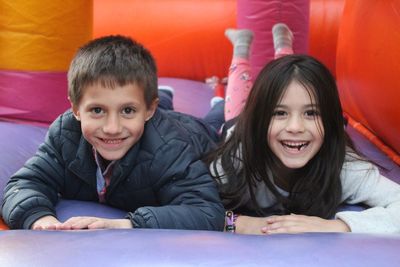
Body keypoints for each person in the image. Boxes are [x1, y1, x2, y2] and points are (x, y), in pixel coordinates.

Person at [1, 35, 225, 231]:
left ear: (149, 110)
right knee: (134, 122)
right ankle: (156, 100)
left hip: (195, 132)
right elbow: (24, 184)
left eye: (127, 110)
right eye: (97, 110)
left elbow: (206, 212)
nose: (112, 128)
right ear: (76, 110)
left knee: (216, 123)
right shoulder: (65, 135)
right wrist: (40, 219)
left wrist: (128, 223)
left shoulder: (168, 149)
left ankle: (220, 104)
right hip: (150, 121)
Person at [206, 26, 400, 235]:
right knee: (235, 101)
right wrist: (238, 223)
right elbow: (188, 206)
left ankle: (284, 47)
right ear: (261, 119)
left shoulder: (344, 166)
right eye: (279, 113)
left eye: (311, 113)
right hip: (238, 125)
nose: (296, 128)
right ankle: (240, 48)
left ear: (330, 121)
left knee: (291, 79)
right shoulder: (237, 159)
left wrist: (338, 225)